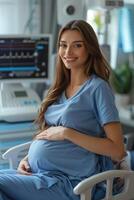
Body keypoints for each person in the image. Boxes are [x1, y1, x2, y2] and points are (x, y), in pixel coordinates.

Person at [0, 20, 127, 200]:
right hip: (40, 174)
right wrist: (27, 160)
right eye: (63, 45)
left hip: (72, 183)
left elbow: (117, 150)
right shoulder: (60, 88)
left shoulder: (98, 88)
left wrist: (67, 133)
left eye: (77, 46)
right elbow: (49, 135)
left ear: (89, 48)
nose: (67, 52)